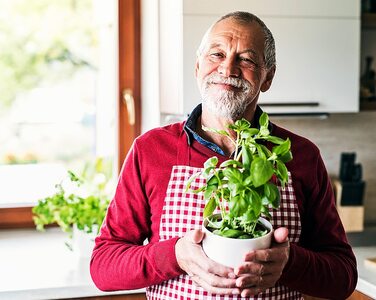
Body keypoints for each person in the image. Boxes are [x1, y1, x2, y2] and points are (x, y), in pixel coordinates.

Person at [90, 11, 357, 299]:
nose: (228, 69)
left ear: (268, 77)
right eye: (216, 54)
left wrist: (290, 263)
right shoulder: (151, 150)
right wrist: (175, 255)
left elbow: (343, 276)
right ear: (197, 66)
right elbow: (103, 266)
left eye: (247, 59)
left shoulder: (301, 155)